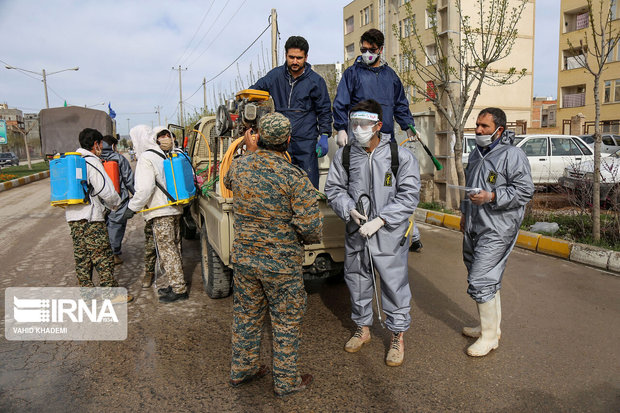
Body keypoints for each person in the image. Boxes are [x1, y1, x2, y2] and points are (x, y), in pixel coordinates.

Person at [224, 112, 322, 396]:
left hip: (244, 261)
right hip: (280, 265)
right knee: (286, 320)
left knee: (246, 316)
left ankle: (242, 370)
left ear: (259, 137)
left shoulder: (240, 167)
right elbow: (311, 228)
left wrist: (251, 152)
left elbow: (229, 181)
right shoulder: (294, 177)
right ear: (289, 141)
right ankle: (286, 381)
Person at [324, 100, 420, 367]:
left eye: (363, 124)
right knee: (357, 280)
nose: (357, 129)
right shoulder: (344, 156)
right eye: (353, 123)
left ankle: (397, 336)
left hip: (389, 234)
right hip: (357, 231)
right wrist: (348, 209)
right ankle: (362, 328)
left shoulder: (399, 156)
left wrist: (382, 220)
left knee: (394, 284)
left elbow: (409, 195)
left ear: (378, 126)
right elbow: (334, 189)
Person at [333, 28, 423, 252]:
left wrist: (408, 125)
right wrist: (340, 128)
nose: (366, 54)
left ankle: (406, 230)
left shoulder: (391, 76)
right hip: (359, 140)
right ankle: (360, 225)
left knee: (389, 188)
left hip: (385, 140)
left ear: (381, 50)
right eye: (363, 49)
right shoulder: (352, 74)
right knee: (361, 186)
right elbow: (341, 102)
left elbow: (400, 103)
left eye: (371, 50)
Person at [459, 107, 534, 357]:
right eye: (477, 125)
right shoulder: (475, 154)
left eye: (485, 127)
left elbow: (524, 191)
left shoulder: (512, 155)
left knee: (480, 278)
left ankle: (489, 338)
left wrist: (492, 196)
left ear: (499, 130)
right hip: (474, 223)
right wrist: (463, 214)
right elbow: (469, 187)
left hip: (498, 227)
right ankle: (489, 327)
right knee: (483, 275)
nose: (479, 130)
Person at [250, 35, 333, 189]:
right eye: (291, 57)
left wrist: (325, 134)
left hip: (306, 143)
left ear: (306, 57)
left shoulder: (316, 81)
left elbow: (324, 110)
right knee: (280, 186)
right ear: (285, 55)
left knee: (307, 188)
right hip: (279, 143)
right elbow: (254, 90)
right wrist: (243, 99)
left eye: (299, 58)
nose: (295, 61)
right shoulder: (275, 76)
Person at [65, 128, 132, 302]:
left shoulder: (71, 161)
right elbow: (105, 190)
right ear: (96, 144)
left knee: (82, 258)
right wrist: (116, 205)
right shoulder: (92, 161)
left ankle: (87, 295)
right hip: (91, 218)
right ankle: (110, 294)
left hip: (73, 217)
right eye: (101, 143)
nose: (102, 147)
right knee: (103, 256)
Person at [124, 125, 187, 303]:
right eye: (163, 135)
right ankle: (176, 282)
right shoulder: (173, 154)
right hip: (175, 209)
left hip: (160, 212)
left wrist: (132, 208)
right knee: (175, 249)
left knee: (168, 251)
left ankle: (179, 288)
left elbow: (144, 188)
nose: (166, 138)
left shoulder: (147, 157)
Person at [101, 135, 135, 265]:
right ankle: (114, 253)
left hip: (100, 200)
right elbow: (129, 180)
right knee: (116, 227)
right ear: (113, 146)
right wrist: (137, 197)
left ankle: (102, 254)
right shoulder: (119, 158)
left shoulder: (94, 158)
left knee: (102, 226)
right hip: (118, 200)